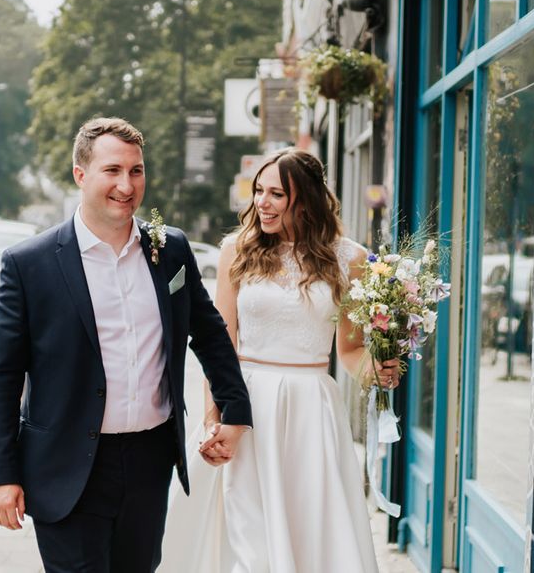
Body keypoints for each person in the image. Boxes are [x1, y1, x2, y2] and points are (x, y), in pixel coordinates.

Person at [0, 116, 252, 573]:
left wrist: (235, 411)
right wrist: (1, 474)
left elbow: (208, 332)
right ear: (80, 174)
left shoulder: (171, 251)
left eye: (136, 170)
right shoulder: (29, 264)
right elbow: (2, 374)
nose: (127, 185)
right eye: (113, 170)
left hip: (149, 462)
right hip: (65, 466)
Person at [159, 148, 400, 572]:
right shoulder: (238, 249)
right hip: (245, 402)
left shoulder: (351, 259)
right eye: (258, 191)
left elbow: (348, 350)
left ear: (304, 200)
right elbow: (222, 341)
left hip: (311, 411)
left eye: (275, 194)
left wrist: (377, 370)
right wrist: (215, 418)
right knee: (245, 531)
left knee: (309, 530)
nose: (261, 203)